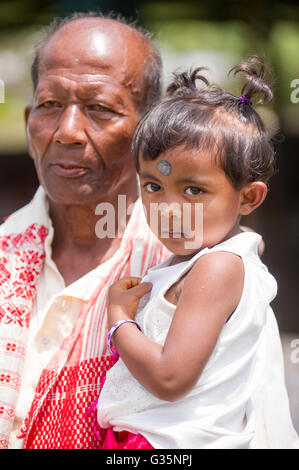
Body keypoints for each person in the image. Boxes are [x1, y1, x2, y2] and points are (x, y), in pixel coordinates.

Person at [96, 57, 299, 449]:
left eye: (193, 190)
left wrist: (119, 320)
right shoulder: (218, 250)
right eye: (153, 186)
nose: (169, 209)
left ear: (249, 197)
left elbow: (170, 380)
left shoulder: (217, 268)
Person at [0, 12, 170, 449]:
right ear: (28, 120)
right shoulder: (5, 255)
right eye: (50, 105)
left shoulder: (187, 276)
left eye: (99, 109)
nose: (68, 131)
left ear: (150, 133)